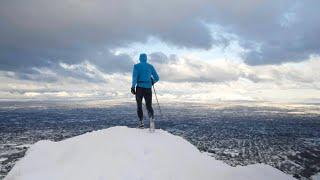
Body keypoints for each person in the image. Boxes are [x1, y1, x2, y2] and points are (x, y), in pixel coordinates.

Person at [131, 53, 159, 128]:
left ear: (140, 58)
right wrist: (152, 82)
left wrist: (133, 87)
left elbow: (134, 78)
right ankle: (152, 122)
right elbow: (157, 78)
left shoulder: (136, 66)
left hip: (139, 88)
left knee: (139, 105)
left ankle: (141, 123)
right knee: (149, 106)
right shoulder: (150, 66)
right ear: (146, 58)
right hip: (148, 88)